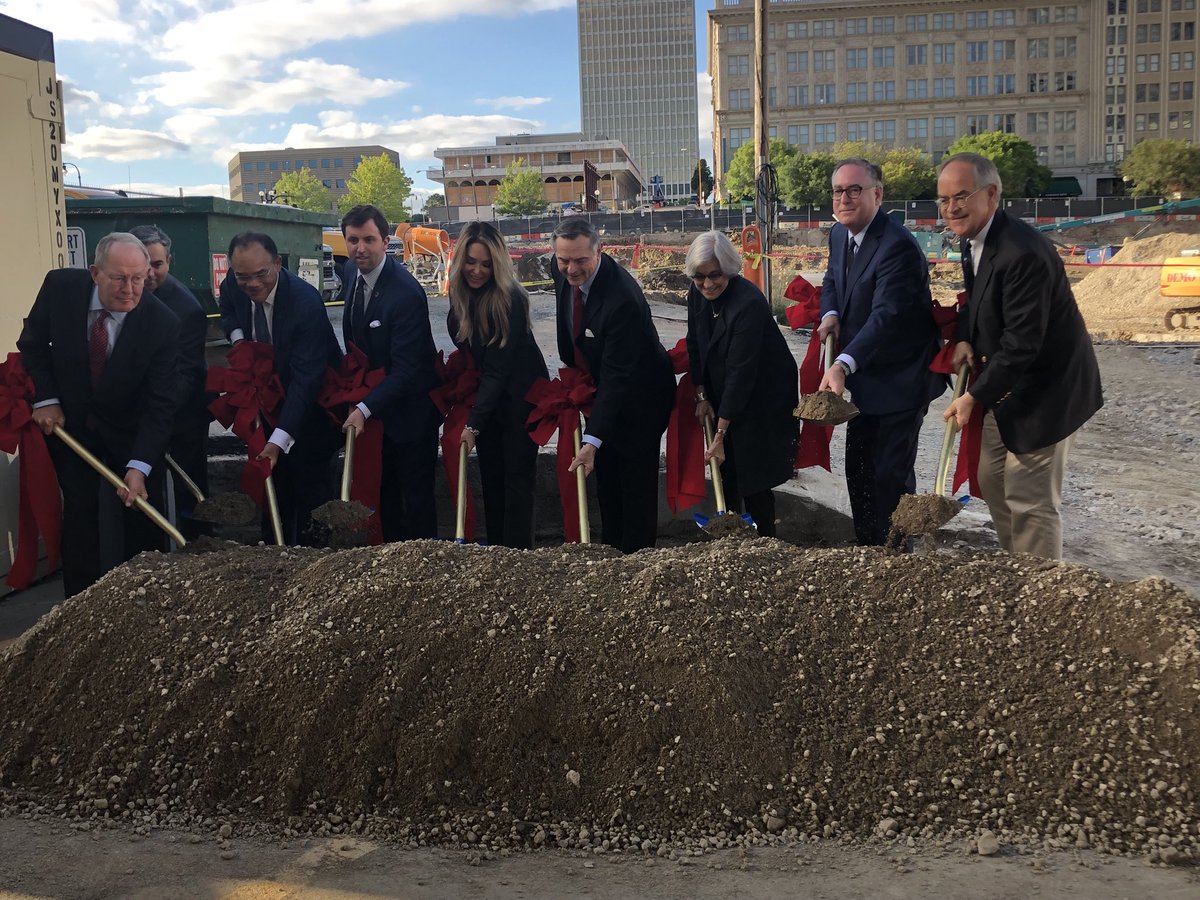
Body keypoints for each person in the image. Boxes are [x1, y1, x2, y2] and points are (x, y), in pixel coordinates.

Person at [939, 152, 1103, 559]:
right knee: (992, 480)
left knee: (1030, 498)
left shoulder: (1022, 253)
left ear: (991, 194)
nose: (951, 208)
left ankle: (1038, 585)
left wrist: (974, 397)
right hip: (1006, 385)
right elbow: (976, 299)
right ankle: (1017, 568)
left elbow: (1023, 343)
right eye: (943, 199)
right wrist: (963, 338)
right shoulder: (973, 240)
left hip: (1047, 391)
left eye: (961, 196)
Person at [17, 232, 180, 597]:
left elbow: (160, 404)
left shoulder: (162, 324)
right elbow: (33, 345)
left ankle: (141, 600)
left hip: (130, 428)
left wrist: (139, 466)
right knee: (80, 513)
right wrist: (46, 398)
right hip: (72, 424)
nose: (129, 290)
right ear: (95, 273)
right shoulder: (60, 289)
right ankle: (80, 604)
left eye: (138, 279)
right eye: (119, 278)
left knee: (141, 513)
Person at [817, 157, 945, 546]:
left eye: (855, 190)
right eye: (838, 190)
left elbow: (887, 317)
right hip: (867, 374)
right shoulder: (839, 235)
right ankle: (868, 546)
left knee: (890, 473)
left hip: (902, 378)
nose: (845, 198)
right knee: (858, 466)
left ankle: (896, 552)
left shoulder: (897, 246)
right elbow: (832, 279)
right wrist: (831, 313)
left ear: (878, 194)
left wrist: (842, 364)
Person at [552, 217, 675, 552]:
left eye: (580, 260)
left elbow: (618, 376)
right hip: (601, 389)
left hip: (641, 397)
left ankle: (637, 559)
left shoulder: (622, 299)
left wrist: (592, 440)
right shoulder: (562, 268)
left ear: (600, 251)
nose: (571, 269)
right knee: (606, 480)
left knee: (634, 484)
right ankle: (612, 553)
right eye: (564, 260)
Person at [218, 232, 342, 545]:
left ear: (277, 263)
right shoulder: (233, 283)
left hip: (313, 409)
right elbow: (228, 309)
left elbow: (306, 381)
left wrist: (278, 440)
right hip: (268, 399)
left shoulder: (304, 303)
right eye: (243, 276)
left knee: (311, 497)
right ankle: (274, 553)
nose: (252, 284)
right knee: (274, 493)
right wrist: (241, 342)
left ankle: (316, 560)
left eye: (261, 274)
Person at [684, 231, 798, 537]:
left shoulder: (748, 304)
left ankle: (765, 542)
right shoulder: (696, 292)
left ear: (729, 270)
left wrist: (720, 433)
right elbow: (694, 343)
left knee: (754, 474)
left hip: (762, 397)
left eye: (715, 275)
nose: (707, 284)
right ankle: (731, 539)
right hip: (724, 389)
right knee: (726, 470)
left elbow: (741, 372)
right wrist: (701, 394)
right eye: (699, 277)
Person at [338, 204, 441, 541]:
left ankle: (425, 562)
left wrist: (364, 408)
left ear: (385, 242)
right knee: (386, 497)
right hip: (378, 410)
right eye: (353, 240)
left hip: (411, 414)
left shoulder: (405, 293)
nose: (360, 248)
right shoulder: (352, 274)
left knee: (416, 500)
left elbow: (407, 368)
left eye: (368, 240)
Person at [446, 222, 548, 548]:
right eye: (471, 262)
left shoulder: (510, 300)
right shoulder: (460, 297)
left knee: (516, 483)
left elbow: (498, 369)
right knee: (491, 479)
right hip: (489, 398)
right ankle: (495, 555)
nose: (477, 271)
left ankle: (518, 558)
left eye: (486, 264)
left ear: (498, 265)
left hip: (521, 400)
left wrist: (473, 424)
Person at [129, 224, 210, 538]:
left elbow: (185, 375)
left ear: (170, 262)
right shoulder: (123, 293)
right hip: (139, 413)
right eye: (143, 265)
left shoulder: (186, 310)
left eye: (158, 264)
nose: (150, 273)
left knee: (188, 489)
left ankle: (197, 544)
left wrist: (152, 418)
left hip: (181, 415)